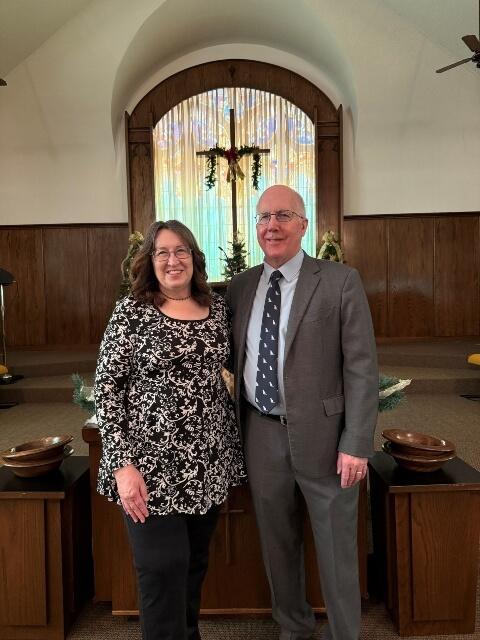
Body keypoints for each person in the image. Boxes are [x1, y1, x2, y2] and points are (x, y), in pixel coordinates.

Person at [225, 185, 378, 640]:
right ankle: (293, 629)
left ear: (303, 224)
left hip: (327, 440)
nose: (271, 226)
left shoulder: (339, 280)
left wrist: (356, 443)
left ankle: (345, 633)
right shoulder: (240, 286)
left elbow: (362, 367)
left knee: (335, 548)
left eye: (283, 216)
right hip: (261, 432)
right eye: (263, 217)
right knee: (277, 545)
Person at [94, 220, 245, 640]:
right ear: (150, 261)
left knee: (194, 566)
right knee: (161, 570)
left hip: (207, 465)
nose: (172, 260)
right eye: (162, 252)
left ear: (194, 259)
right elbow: (108, 390)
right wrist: (123, 466)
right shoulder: (131, 312)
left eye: (181, 251)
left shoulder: (217, 309)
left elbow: (236, 369)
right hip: (148, 468)